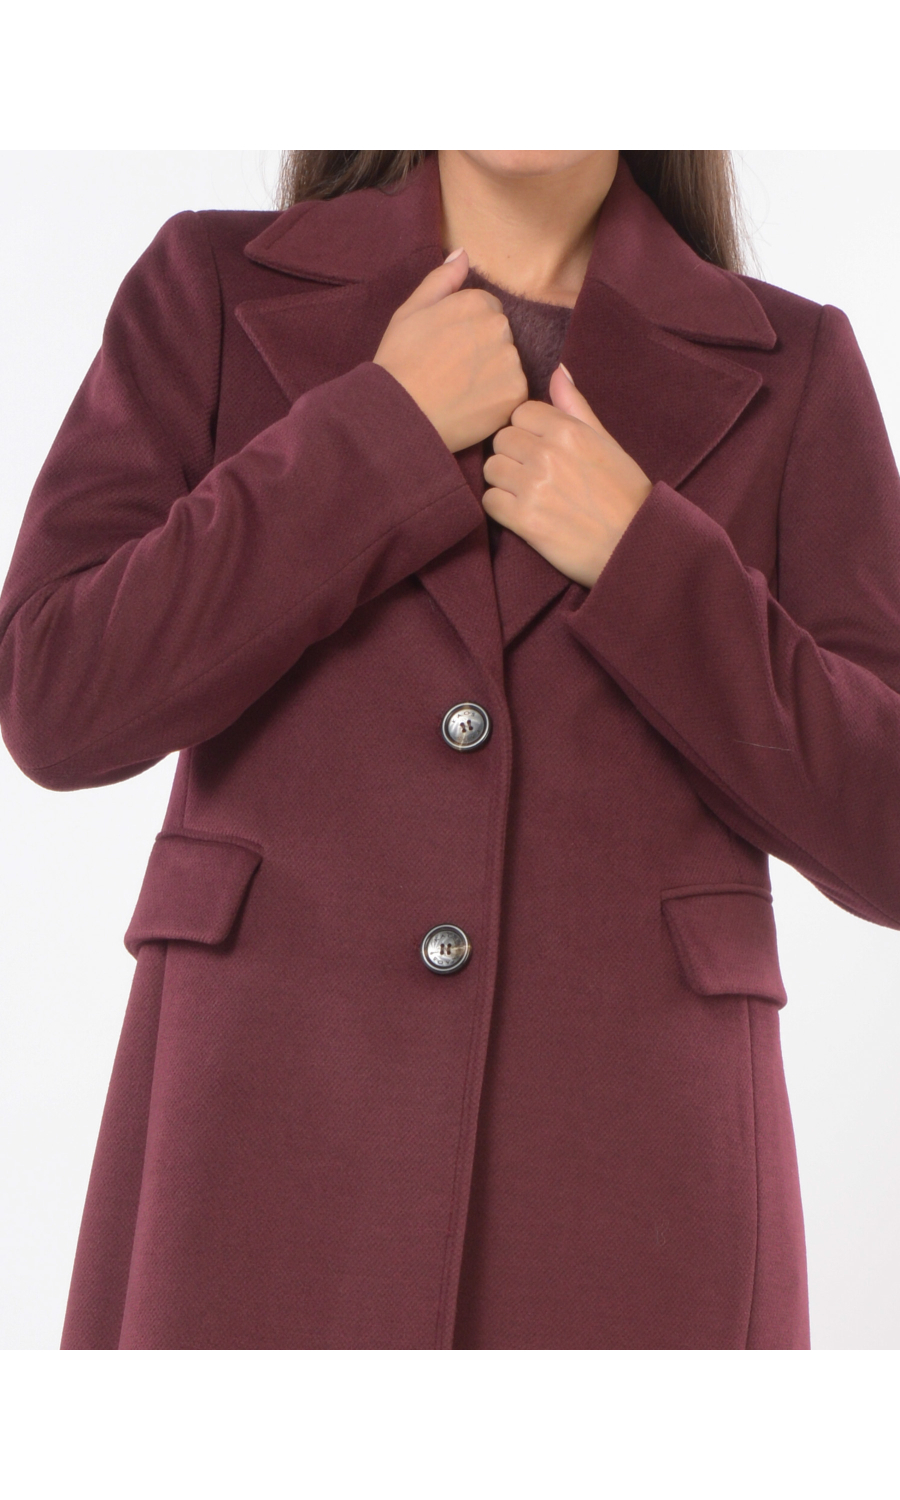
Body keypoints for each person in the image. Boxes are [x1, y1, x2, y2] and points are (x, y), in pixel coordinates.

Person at [2, 149, 898, 1350]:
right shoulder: (212, 285)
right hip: (256, 1150)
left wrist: (646, 561)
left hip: (633, 1182)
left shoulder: (795, 366)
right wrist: (378, 433)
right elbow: (56, 694)